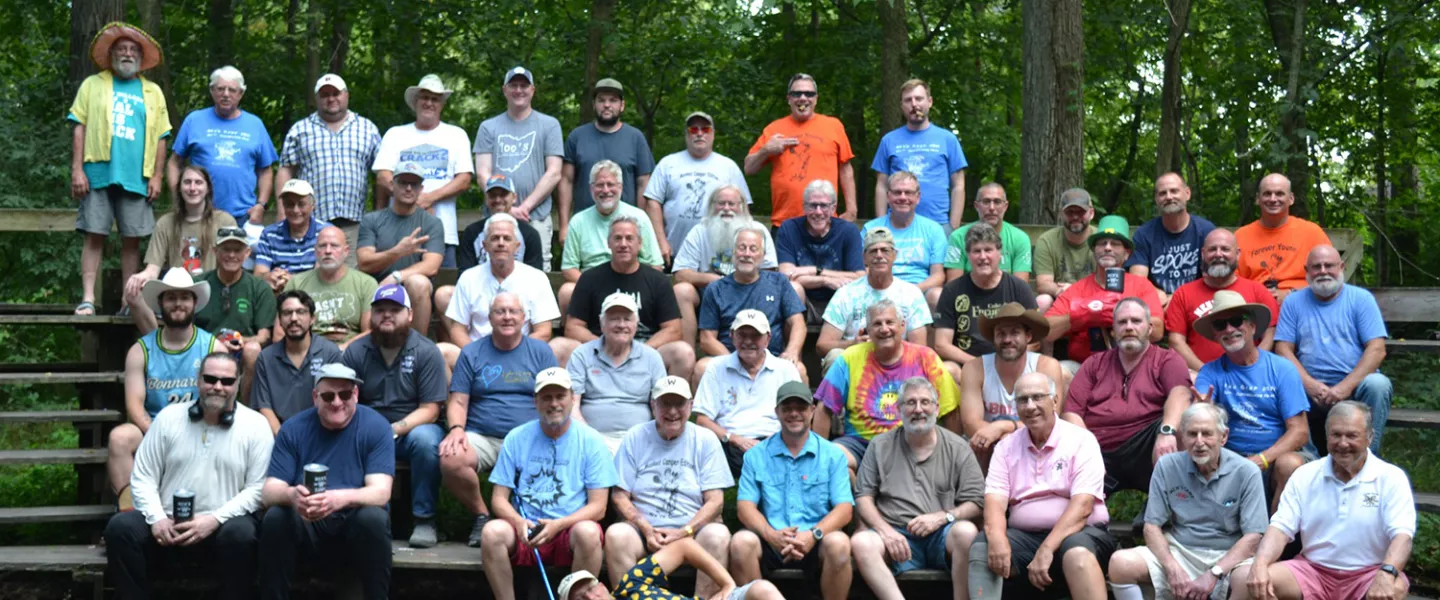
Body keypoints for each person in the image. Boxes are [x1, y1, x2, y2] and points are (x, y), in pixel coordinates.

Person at [104, 351, 271, 600]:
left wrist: (214, 519)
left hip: (222, 527)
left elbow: (258, 489)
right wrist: (158, 518)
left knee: (242, 533)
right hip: (167, 526)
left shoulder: (256, 425)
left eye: (227, 381)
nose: (218, 387)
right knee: (120, 527)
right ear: (198, 380)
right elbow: (143, 477)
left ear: (238, 383)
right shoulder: (168, 418)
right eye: (210, 379)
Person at [1231, 402, 1415, 600]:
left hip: (1368, 573)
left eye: (1352, 435)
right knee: (1244, 577)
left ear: (1369, 437)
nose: (1343, 443)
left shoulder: (1390, 477)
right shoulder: (1306, 474)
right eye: (1336, 435)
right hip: (1312, 571)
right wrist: (1259, 564)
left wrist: (1387, 572)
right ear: (1327, 436)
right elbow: (1280, 529)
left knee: (1394, 587)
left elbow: (1402, 536)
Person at [968, 372, 1115, 600]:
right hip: (1026, 537)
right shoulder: (1006, 447)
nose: (1030, 406)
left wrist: (1046, 549)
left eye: (1038, 397)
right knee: (982, 547)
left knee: (1077, 552)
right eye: (1022, 400)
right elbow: (994, 502)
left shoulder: (1081, 440)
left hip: (1081, 533)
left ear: (1055, 400)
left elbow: (1083, 507)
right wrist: (997, 539)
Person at [478, 367, 618, 600]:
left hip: (569, 529)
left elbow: (599, 507)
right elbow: (498, 499)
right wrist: (517, 520)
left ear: (572, 398)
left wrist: (560, 524)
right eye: (546, 397)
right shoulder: (516, 437)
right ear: (536, 401)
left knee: (589, 531)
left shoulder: (592, 441)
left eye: (560, 396)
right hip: (526, 529)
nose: (554, 404)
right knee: (492, 532)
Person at [258, 363, 394, 599]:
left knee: (374, 517)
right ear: (315, 397)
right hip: (307, 524)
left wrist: (339, 498)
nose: (337, 402)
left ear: (356, 394)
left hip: (354, 526)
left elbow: (381, 492)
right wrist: (292, 495)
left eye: (345, 394)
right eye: (328, 396)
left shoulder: (376, 426)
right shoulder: (293, 428)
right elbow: (269, 492)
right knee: (276, 517)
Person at [1106, 403, 1268, 600]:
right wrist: (1173, 568)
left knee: (1247, 577)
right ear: (1182, 437)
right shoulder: (1167, 466)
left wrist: (1215, 573)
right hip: (1180, 550)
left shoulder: (1246, 471)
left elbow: (1253, 536)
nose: (1199, 442)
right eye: (1192, 434)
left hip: (1228, 555)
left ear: (1223, 437)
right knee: (1121, 563)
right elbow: (1151, 527)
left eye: (1207, 433)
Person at [441, 293, 558, 546]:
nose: (507, 317)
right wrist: (456, 429)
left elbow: (554, 400)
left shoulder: (540, 352)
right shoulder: (472, 353)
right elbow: (459, 401)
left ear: (524, 318)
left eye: (513, 312)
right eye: (500, 312)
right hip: (482, 436)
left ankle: (534, 525)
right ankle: (482, 515)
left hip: (531, 437)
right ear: (489, 318)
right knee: (451, 458)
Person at [851, 377, 985, 600]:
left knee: (967, 532)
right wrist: (886, 532)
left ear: (937, 407)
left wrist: (943, 517)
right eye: (910, 403)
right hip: (895, 534)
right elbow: (864, 496)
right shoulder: (880, 445)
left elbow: (977, 501)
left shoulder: (958, 447)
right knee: (861, 542)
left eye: (925, 402)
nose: (918, 409)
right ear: (899, 409)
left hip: (941, 535)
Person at [70, 22, 171, 315]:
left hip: (137, 176)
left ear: (140, 58)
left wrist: (157, 175)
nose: (127, 54)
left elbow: (162, 136)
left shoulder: (152, 92)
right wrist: (77, 170)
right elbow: (79, 126)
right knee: (94, 233)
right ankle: (88, 298)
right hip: (98, 171)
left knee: (132, 239)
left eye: (132, 50)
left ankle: (130, 302)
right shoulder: (92, 84)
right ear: (112, 54)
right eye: (121, 49)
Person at [607, 376, 736, 596]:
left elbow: (715, 500)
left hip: (694, 532)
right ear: (653, 405)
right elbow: (619, 495)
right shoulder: (635, 436)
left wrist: (685, 531)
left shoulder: (705, 439)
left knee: (718, 535)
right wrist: (646, 529)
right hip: (643, 532)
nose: (673, 411)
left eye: (679, 403)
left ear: (691, 405)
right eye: (666, 403)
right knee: (616, 535)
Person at [340, 284, 448, 548]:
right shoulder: (356, 352)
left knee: (426, 441)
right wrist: (372, 430)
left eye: (394, 310)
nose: (386, 315)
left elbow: (431, 409)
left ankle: (424, 519)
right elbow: (344, 400)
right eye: (380, 310)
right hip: (366, 426)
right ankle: (368, 517)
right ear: (371, 316)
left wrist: (395, 428)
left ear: (409, 315)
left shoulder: (426, 351)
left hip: (412, 427)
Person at [731, 382, 855, 600]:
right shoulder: (756, 455)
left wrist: (813, 535)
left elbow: (844, 509)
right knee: (741, 543)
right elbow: (744, 507)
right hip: (772, 539)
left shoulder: (832, 455)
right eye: (787, 408)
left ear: (813, 411)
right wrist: (771, 535)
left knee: (840, 543)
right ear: (776, 412)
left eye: (801, 407)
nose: (794, 413)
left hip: (817, 539)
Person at [109, 269, 220, 509]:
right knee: (119, 438)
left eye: (184, 297)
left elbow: (223, 400)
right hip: (153, 429)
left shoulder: (213, 347)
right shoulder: (141, 350)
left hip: (200, 428)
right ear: (160, 303)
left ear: (195, 303)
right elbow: (135, 406)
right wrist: (161, 435)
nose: (178, 303)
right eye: (171, 297)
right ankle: (130, 513)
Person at [1193, 290, 1313, 508]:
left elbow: (1300, 431)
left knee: (1290, 464)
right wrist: (1201, 410)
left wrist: (1262, 460)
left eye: (1237, 321)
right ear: (1216, 334)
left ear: (1252, 327)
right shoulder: (1210, 372)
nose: (1229, 329)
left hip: (1276, 456)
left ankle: (1275, 535)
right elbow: (1201, 407)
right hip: (1229, 457)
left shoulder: (1281, 368)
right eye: (1221, 325)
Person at [814, 300, 960, 474]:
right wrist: (819, 456)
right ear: (868, 329)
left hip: (912, 441)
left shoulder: (925, 357)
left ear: (902, 325)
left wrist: (953, 455)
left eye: (890, 322)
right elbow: (824, 409)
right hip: (860, 444)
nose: (884, 329)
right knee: (834, 459)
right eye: (877, 324)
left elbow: (950, 409)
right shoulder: (849, 358)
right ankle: (857, 499)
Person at [1063, 298, 1190, 494]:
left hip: (1147, 445)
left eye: (1136, 321)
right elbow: (1072, 413)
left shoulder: (1167, 359)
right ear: (1113, 330)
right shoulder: (1094, 363)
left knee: (1186, 419)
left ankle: (1163, 507)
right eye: (1122, 322)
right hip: (1100, 447)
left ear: (1149, 328)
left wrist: (1167, 431)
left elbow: (1180, 394)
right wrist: (1088, 450)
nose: (1129, 327)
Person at [1275, 245, 1391, 456]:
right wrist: (1310, 385)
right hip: (1308, 389)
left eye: (1329, 265)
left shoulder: (1361, 299)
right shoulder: (1293, 302)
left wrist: (1345, 387)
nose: (1323, 271)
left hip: (1353, 385)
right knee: (1283, 381)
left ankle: (1365, 459)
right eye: (1316, 267)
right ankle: (1309, 463)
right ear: (1306, 271)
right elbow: (1283, 348)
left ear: (1342, 267)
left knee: (1378, 384)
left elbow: (1377, 349)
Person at [554, 215, 694, 382]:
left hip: (645, 349)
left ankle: (669, 405)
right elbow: (573, 327)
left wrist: (639, 350)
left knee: (683, 352)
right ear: (609, 243)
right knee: (557, 347)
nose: (623, 244)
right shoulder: (590, 278)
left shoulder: (658, 281)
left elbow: (673, 329)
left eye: (629, 238)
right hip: (598, 350)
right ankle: (570, 403)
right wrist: (603, 345)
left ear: (640, 244)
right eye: (617, 238)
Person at [134, 227, 274, 389]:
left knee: (253, 350)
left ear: (247, 253)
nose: (231, 255)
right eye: (226, 249)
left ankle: (247, 407)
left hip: (241, 349)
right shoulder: (197, 285)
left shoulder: (259, 287)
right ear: (215, 251)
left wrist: (239, 341)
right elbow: (182, 322)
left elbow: (264, 336)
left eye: (237, 250)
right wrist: (215, 344)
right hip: (202, 347)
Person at [374, 74, 475, 266]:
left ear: (441, 104)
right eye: (424, 97)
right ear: (415, 102)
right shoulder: (395, 134)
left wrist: (430, 198)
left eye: (435, 99)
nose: (429, 103)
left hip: (443, 232)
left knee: (443, 289)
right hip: (397, 233)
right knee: (396, 290)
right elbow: (382, 176)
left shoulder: (456, 135)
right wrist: (415, 201)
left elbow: (464, 180)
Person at [693, 311, 804, 477]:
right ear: (732, 336)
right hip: (729, 443)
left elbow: (800, 415)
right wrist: (733, 438)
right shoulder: (716, 368)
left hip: (775, 440)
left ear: (768, 338)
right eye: (742, 335)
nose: (748, 341)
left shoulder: (785, 369)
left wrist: (778, 439)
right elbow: (702, 420)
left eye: (755, 336)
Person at [1044, 215, 1164, 370]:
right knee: (1059, 370)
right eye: (1102, 243)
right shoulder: (1077, 289)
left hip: (1133, 365)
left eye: (1115, 244)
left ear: (1127, 253)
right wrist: (1083, 313)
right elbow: (1046, 330)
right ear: (1094, 250)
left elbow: (1158, 331)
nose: (1108, 247)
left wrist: (1122, 316)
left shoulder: (1141, 285)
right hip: (1084, 367)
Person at [473, 66, 564, 267]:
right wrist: (506, 208)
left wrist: (524, 207)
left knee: (539, 273)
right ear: (505, 90)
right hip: (496, 217)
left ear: (533, 90)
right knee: (492, 268)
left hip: (536, 217)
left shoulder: (550, 125)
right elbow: (482, 173)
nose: (519, 90)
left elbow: (555, 172)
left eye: (524, 85)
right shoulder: (488, 127)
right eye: (513, 85)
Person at [276, 73, 381, 242]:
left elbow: (381, 174)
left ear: (346, 95)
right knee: (310, 268)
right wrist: (282, 212)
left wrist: (379, 213)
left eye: (336, 93)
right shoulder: (300, 130)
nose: (331, 99)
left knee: (352, 268)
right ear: (317, 98)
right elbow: (286, 170)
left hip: (355, 225)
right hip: (310, 225)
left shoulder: (368, 129)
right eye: (325, 95)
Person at [672, 186, 783, 343]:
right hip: (710, 295)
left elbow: (770, 271)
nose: (726, 208)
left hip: (752, 291)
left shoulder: (758, 230)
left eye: (732, 204)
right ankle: (687, 354)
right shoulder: (699, 231)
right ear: (712, 205)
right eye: (721, 203)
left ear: (742, 206)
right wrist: (715, 280)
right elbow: (680, 274)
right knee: (681, 290)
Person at [168, 66, 277, 225]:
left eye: (232, 90)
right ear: (212, 91)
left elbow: (266, 171)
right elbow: (174, 163)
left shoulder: (255, 125)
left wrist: (261, 205)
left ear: (240, 94)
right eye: (220, 89)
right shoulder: (194, 120)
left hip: (243, 216)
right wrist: (178, 198)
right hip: (198, 213)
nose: (226, 94)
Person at [745, 73, 857, 225]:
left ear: (816, 99)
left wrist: (851, 209)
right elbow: (749, 168)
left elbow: (845, 168)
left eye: (809, 94)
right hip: (785, 222)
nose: (803, 98)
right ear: (789, 99)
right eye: (796, 93)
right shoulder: (774, 129)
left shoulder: (833, 126)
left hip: (825, 220)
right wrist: (766, 150)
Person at [695, 228, 806, 380]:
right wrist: (734, 363)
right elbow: (707, 339)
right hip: (729, 357)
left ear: (763, 255)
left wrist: (792, 351)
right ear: (733, 252)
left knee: (798, 369)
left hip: (771, 359)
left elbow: (798, 323)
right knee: (702, 367)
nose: (747, 254)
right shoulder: (715, 289)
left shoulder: (779, 283)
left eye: (753, 249)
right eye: (742, 248)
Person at [122, 164, 237, 309]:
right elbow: (152, 270)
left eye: (199, 182)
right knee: (135, 296)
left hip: (212, 293)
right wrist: (140, 278)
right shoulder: (165, 223)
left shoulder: (225, 221)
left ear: (208, 189)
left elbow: (234, 265)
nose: (192, 188)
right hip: (177, 296)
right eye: (187, 182)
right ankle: (156, 332)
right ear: (179, 188)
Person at [935, 222, 1038, 382]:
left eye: (988, 250)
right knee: (947, 370)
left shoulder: (1019, 288)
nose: (983, 257)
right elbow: (941, 344)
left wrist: (1004, 361)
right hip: (967, 363)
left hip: (1011, 360)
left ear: (999, 254)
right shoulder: (952, 290)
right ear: (968, 256)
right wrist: (978, 364)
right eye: (976, 251)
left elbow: (1036, 340)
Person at [960, 304, 1064, 462]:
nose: (1007, 340)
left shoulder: (1046, 366)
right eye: (1001, 334)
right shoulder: (974, 368)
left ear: (1028, 336)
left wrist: (1005, 428)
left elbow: (1049, 420)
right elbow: (970, 423)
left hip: (1036, 444)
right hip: (988, 446)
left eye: (1015, 333)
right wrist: (1003, 440)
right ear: (993, 338)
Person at [644, 111, 752, 262]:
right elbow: (652, 202)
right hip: (673, 250)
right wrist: (661, 241)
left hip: (718, 254)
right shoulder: (667, 164)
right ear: (687, 135)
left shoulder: (728, 167)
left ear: (713, 134)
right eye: (693, 130)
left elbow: (743, 206)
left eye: (705, 129)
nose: (699, 134)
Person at [1165, 228, 1278, 371]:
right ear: (1203, 254)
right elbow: (1176, 341)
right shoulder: (1183, 293)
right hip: (1200, 376)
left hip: (1250, 375)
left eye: (1225, 249)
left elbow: (1271, 333)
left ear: (1237, 254)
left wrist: (1255, 367)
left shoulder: (1257, 290)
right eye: (1212, 249)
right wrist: (1206, 373)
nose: (1218, 254)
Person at [566, 293, 668, 453]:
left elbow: (662, 406)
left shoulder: (651, 357)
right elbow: (571, 405)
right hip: (590, 440)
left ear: (636, 324)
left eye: (627, 319)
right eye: (614, 319)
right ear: (602, 324)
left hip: (640, 441)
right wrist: (591, 439)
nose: (621, 325)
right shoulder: (582, 354)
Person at [445, 213, 560, 350]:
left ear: (517, 246)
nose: (501, 243)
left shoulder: (537, 278)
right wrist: (477, 356)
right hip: (478, 354)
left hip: (522, 354)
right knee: (444, 351)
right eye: (494, 238)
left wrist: (513, 355)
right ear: (485, 245)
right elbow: (457, 330)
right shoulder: (468, 278)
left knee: (560, 347)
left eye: (507, 238)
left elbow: (543, 331)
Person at [356, 161, 444, 335]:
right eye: (403, 182)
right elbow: (364, 261)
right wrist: (398, 252)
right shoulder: (372, 220)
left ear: (421, 188)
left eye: (414, 184)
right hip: (376, 287)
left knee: (418, 282)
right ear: (392, 185)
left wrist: (396, 277)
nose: (409, 188)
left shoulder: (432, 223)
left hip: (412, 293)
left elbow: (432, 265)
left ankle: (417, 347)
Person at [815, 228, 931, 359]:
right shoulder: (846, 294)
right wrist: (853, 344)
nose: (879, 255)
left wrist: (889, 345)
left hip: (898, 362)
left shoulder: (911, 294)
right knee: (835, 356)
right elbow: (822, 345)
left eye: (885, 250)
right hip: (857, 360)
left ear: (895, 255)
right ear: (864, 258)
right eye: (873, 251)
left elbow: (920, 347)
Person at [872, 79, 968, 231]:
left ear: (929, 102)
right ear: (902, 106)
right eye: (908, 100)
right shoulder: (888, 140)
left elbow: (958, 184)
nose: (914, 104)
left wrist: (953, 225)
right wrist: (881, 226)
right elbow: (881, 185)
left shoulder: (948, 139)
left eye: (919, 98)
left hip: (939, 224)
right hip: (896, 225)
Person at [559, 538, 783, 600]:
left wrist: (727, 584)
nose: (590, 597)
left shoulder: (630, 585)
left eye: (590, 589)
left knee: (762, 590)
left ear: (603, 586)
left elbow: (684, 547)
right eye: (580, 599)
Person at [559, 162, 664, 294]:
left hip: (633, 284)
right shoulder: (578, 221)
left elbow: (655, 264)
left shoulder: (639, 217)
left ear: (620, 187)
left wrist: (635, 286)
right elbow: (569, 268)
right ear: (591, 188)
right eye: (599, 185)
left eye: (610, 184)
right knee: (566, 291)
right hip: (593, 286)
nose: (605, 190)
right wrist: (595, 287)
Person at [559, 78, 655, 221]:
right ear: (594, 104)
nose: (607, 105)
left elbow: (643, 183)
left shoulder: (636, 138)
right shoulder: (577, 137)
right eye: (601, 100)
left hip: (625, 227)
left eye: (613, 100)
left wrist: (639, 223)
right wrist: (565, 225)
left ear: (622, 105)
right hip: (585, 225)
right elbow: (566, 181)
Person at [252, 290, 342, 433]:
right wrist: (283, 439)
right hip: (280, 434)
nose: (294, 318)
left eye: (300, 312)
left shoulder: (330, 353)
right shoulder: (266, 358)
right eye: (287, 313)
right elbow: (264, 407)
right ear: (280, 320)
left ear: (312, 318)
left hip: (323, 433)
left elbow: (336, 404)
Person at [1234, 173, 1332, 303]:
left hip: (1303, 304)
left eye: (1279, 194)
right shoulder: (1241, 236)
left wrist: (1292, 294)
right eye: (1267, 194)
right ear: (1258, 199)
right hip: (1255, 307)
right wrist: (1258, 295)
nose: (1273, 199)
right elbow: (1232, 282)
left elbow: (1330, 276)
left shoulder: (1312, 233)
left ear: (1291, 199)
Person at [1127, 173, 1217, 305]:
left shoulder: (1206, 231)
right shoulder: (1144, 234)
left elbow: (1213, 278)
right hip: (1158, 302)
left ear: (1187, 194)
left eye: (1174, 191)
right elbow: (1137, 280)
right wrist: (1157, 294)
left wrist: (1177, 298)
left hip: (1197, 300)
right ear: (1156, 199)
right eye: (1162, 193)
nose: (1169, 197)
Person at [775, 179, 865, 312]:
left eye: (824, 206)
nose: (818, 212)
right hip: (803, 299)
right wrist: (825, 280)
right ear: (804, 207)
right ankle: (796, 332)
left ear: (833, 208)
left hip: (839, 298)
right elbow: (786, 275)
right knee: (793, 287)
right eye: (813, 205)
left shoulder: (848, 231)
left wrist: (814, 271)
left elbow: (859, 277)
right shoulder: (789, 228)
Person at [862, 171, 946, 309]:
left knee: (937, 295)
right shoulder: (871, 229)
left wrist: (912, 291)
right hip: (878, 289)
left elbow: (938, 275)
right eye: (897, 192)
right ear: (888, 196)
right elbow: (863, 269)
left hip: (919, 292)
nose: (903, 197)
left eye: (908, 193)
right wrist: (888, 290)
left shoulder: (933, 229)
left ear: (917, 197)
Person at [283, 226, 378, 348]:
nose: (328, 251)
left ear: (346, 251)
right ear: (316, 251)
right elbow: (279, 334)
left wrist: (341, 349)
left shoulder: (366, 284)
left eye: (334, 246)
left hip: (350, 352)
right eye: (322, 246)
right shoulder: (296, 283)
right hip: (307, 352)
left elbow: (370, 332)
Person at [252, 179, 331, 293]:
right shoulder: (269, 234)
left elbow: (323, 277)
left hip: (316, 294)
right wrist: (269, 277)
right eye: (289, 204)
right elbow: (259, 274)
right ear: (283, 205)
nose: (295, 210)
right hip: (280, 294)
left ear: (312, 204)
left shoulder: (326, 232)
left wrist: (293, 280)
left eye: (301, 204)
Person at [456, 174, 545, 271]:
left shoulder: (529, 234)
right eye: (492, 195)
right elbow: (465, 273)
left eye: (503, 194)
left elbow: (535, 276)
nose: (498, 200)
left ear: (514, 197)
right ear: (486, 199)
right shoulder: (472, 233)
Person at [945, 184, 1031, 282]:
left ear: (1005, 206)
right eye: (986, 202)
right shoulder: (958, 237)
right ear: (976, 206)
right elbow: (954, 284)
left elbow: (1020, 286)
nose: (991, 207)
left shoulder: (1020, 238)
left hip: (1008, 296)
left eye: (997, 202)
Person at [1033, 189, 1096, 311]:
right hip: (1060, 298)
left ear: (1091, 213)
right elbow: (1043, 283)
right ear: (1061, 214)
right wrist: (1059, 290)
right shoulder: (1047, 240)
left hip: (1094, 297)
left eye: (1081, 212)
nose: (1075, 216)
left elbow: (1108, 281)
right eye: (1069, 212)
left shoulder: (1101, 240)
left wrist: (1075, 291)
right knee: (1042, 300)